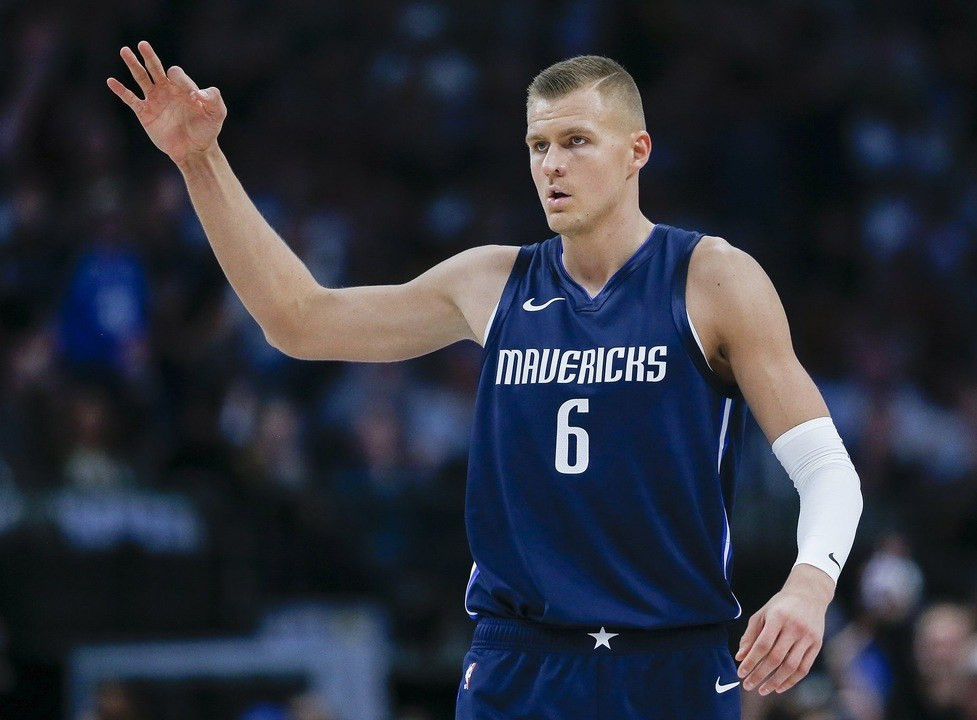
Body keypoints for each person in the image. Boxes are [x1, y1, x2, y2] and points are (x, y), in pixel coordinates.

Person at [108, 44, 864, 719]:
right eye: (538, 145)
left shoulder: (712, 279)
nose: (552, 164)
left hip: (671, 661)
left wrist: (809, 584)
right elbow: (298, 321)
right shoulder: (490, 282)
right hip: (518, 662)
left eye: (575, 141)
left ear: (637, 150)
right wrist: (200, 161)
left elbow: (826, 468)